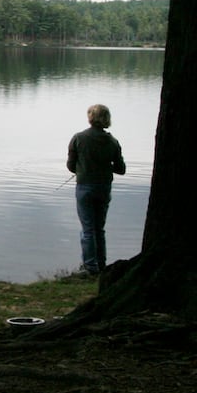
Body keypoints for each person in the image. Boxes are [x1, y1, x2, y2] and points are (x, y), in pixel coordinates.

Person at [66, 103, 126, 276]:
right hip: (104, 188)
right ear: (107, 119)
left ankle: (90, 268)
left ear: (90, 117)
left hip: (84, 187)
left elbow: (71, 165)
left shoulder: (78, 138)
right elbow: (121, 169)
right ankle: (101, 265)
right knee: (99, 229)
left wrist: (82, 167)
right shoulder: (113, 142)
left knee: (87, 230)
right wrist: (106, 166)